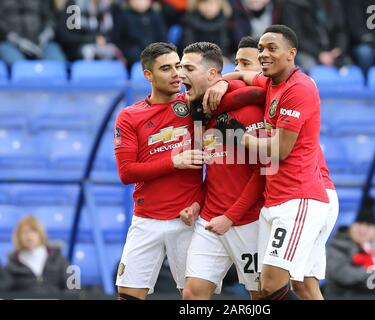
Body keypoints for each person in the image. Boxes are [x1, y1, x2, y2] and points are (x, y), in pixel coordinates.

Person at [210, 25, 333, 300]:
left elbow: (280, 149)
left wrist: (240, 138)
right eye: (262, 49)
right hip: (275, 199)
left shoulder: (299, 88)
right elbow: (242, 74)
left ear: (292, 54)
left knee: (274, 283)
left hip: (298, 199)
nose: (264, 54)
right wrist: (219, 82)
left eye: (271, 49)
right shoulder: (271, 82)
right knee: (276, 286)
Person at [114, 42, 206, 300]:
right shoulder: (130, 116)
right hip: (146, 220)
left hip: (187, 220)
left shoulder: (195, 105)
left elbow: (219, 169)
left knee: (194, 298)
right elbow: (126, 172)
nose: (176, 73)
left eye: (178, 66)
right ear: (148, 75)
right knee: (128, 296)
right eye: (166, 68)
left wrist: (198, 203)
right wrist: (174, 162)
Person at [178, 42, 265, 300]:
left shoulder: (249, 111)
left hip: (250, 222)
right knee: (192, 294)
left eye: (188, 68)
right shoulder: (201, 118)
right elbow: (215, 173)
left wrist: (231, 217)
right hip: (210, 222)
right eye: (181, 67)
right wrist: (197, 204)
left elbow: (264, 173)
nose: (180, 75)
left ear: (213, 75)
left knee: (260, 295)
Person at [5, 215, 70, 296]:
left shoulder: (61, 260)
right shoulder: (11, 266)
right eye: (25, 232)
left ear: (41, 234)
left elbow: (74, 288)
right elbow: (5, 293)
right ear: (18, 237)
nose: (29, 236)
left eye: (33, 231)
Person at [280, 0, 351, 72]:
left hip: (331, 50)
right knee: (309, 68)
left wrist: (339, 48)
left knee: (348, 66)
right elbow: (297, 38)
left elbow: (341, 30)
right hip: (305, 51)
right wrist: (319, 54)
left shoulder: (332, 3)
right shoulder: (292, 4)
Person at [0, 0, 66, 66]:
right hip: (10, 43)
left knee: (58, 64)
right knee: (19, 65)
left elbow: (51, 19)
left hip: (42, 42)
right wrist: (18, 41)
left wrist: (44, 37)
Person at [113, 0, 167, 68]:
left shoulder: (155, 16)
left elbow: (163, 38)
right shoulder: (124, 17)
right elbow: (118, 40)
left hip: (154, 55)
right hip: (132, 59)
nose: (140, 2)